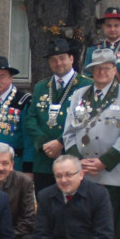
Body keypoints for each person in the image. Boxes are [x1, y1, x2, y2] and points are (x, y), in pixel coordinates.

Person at [61, 49, 120, 239]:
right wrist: (78, 162)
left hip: (111, 171)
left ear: (114, 70)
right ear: (91, 71)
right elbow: (68, 133)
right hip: (83, 172)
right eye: (97, 68)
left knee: (111, 225)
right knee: (83, 222)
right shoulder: (79, 95)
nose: (102, 72)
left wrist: (105, 161)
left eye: (107, 67)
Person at [24, 38, 91, 192]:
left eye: (62, 58)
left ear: (72, 59)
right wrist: (44, 144)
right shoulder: (41, 86)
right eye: (54, 60)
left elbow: (85, 120)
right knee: (46, 207)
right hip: (44, 159)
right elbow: (31, 119)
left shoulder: (85, 85)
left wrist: (60, 142)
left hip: (71, 157)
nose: (58, 63)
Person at [84, 7, 120, 88]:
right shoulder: (93, 51)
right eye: (109, 26)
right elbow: (87, 76)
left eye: (116, 25)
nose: (112, 29)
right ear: (103, 26)